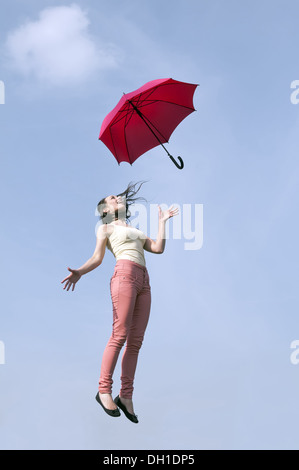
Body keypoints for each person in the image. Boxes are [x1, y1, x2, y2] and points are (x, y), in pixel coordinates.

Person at [61, 181, 178, 423]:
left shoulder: (133, 229)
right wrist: (80, 272)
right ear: (105, 210)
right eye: (112, 198)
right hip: (124, 275)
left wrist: (162, 222)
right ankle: (104, 390)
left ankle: (126, 396)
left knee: (136, 342)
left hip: (144, 280)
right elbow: (97, 257)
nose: (118, 198)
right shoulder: (105, 228)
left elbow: (157, 248)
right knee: (120, 334)